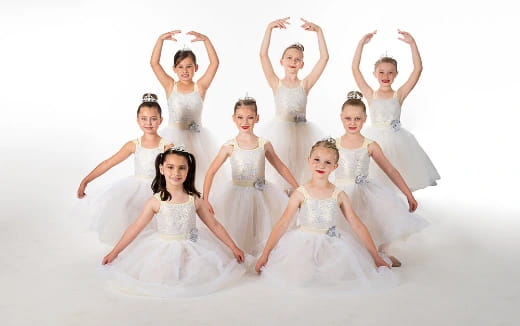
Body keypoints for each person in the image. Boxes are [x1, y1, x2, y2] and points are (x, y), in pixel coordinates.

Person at [101, 148, 246, 297]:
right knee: (161, 277)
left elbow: (214, 225)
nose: (176, 173)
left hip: (193, 247)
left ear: (188, 170)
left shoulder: (194, 200)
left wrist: (233, 247)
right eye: (170, 167)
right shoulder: (155, 201)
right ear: (162, 169)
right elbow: (135, 227)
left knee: (196, 275)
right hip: (163, 248)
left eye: (182, 168)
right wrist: (115, 252)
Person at [255, 139, 397, 291]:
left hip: (332, 245)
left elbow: (357, 225)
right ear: (308, 161)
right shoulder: (300, 193)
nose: (321, 165)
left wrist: (375, 257)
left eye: (328, 162)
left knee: (336, 278)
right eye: (317, 160)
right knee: (300, 278)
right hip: (302, 245)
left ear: (335, 167)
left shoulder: (339, 195)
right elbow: (282, 224)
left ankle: (378, 258)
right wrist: (265, 254)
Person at [335, 91, 429, 266]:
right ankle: (346, 254)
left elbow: (391, 170)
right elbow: (320, 170)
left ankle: (378, 254)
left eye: (357, 118)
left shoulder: (369, 145)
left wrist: (408, 194)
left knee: (372, 219)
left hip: (364, 192)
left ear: (364, 118)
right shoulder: (334, 144)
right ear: (341, 118)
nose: (352, 123)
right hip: (340, 192)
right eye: (348, 118)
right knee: (342, 225)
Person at [203, 97, 298, 256]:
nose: (244, 121)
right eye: (240, 117)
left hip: (261, 193)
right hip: (236, 194)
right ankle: (240, 253)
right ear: (234, 118)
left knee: (260, 223)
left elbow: (280, 166)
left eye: (249, 117)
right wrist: (205, 199)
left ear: (257, 118)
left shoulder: (263, 144)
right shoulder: (229, 146)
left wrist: (298, 187)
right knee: (240, 224)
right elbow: (211, 171)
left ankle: (260, 256)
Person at [76, 93, 171, 244]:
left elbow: (177, 172)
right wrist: (86, 180)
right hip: (136, 189)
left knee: (158, 225)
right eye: (144, 118)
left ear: (161, 120)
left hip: (159, 189)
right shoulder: (133, 145)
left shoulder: (167, 146)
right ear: (137, 120)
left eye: (153, 118)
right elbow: (109, 163)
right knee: (134, 221)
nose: (149, 123)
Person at [352, 30, 440, 191]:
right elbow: (355, 69)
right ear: (374, 74)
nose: (386, 76)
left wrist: (413, 44)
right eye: (381, 72)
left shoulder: (398, 94)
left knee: (394, 177)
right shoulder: (371, 94)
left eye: (390, 72)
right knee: (374, 177)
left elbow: (417, 69)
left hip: (397, 142)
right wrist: (361, 45)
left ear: (396, 74)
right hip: (375, 140)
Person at [259, 17, 328, 192]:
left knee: (301, 174)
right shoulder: (276, 83)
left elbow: (324, 58)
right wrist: (269, 28)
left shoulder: (305, 84)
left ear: (302, 64)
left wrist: (319, 32)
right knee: (281, 176)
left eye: (297, 59)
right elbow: (263, 56)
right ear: (281, 61)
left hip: (302, 137)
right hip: (281, 135)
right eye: (289, 58)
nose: (293, 61)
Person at [150, 29, 220, 189]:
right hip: (173, 138)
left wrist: (206, 39)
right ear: (174, 69)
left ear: (196, 67)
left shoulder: (200, 87)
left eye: (189, 66)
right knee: (172, 176)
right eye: (180, 67)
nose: (185, 70)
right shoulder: (170, 86)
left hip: (197, 140)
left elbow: (214, 63)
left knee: (195, 178)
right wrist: (160, 39)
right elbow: (154, 63)